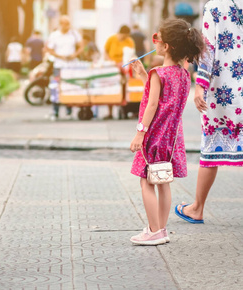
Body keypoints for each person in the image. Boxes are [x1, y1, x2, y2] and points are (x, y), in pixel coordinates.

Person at [129, 18, 205, 245]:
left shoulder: (158, 73)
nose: (155, 42)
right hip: (171, 138)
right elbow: (160, 95)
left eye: (157, 38)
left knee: (146, 182)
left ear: (167, 46)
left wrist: (140, 133)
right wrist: (143, 74)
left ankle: (153, 231)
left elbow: (152, 105)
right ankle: (160, 229)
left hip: (154, 135)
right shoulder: (182, 73)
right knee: (163, 181)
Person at [175, 0, 243, 224]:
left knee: (211, 151)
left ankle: (197, 208)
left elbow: (208, 50)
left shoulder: (215, 6)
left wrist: (200, 86)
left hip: (225, 92)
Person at [46, 15, 83, 121]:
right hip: (59, 64)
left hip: (71, 65)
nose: (67, 26)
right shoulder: (54, 35)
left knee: (70, 87)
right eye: (65, 24)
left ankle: (69, 108)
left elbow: (81, 46)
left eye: (68, 24)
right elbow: (49, 49)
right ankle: (55, 110)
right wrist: (59, 56)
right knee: (56, 87)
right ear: (61, 24)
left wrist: (74, 55)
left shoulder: (74, 34)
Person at [104, 25, 135, 120]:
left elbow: (131, 54)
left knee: (124, 87)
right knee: (111, 87)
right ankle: (110, 112)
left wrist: (125, 63)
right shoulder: (111, 39)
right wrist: (112, 62)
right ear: (120, 33)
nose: (125, 38)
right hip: (112, 66)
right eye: (124, 36)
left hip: (124, 66)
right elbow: (105, 52)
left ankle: (123, 109)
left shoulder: (129, 41)